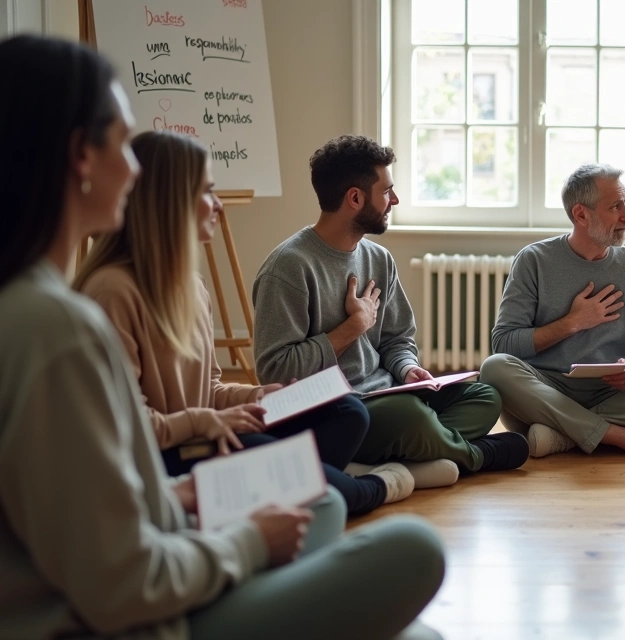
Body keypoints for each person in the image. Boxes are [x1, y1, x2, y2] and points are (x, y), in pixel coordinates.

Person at [0, 34, 444, 640]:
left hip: (159, 544)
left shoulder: (42, 310)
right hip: (146, 616)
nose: (134, 169)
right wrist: (247, 542)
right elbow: (123, 583)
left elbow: (99, 503)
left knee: (326, 497)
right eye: (122, 144)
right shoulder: (64, 327)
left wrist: (182, 493)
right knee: (415, 550)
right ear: (81, 155)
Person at [75, 130, 416, 516]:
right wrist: (207, 420)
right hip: (165, 454)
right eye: (206, 192)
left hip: (204, 431)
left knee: (348, 412)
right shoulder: (113, 293)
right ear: (169, 203)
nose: (218, 206)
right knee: (331, 494)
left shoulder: (190, 287)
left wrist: (256, 396)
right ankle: (368, 487)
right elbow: (126, 426)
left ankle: (294, 486)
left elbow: (209, 389)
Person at [253, 134, 526, 478]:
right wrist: (352, 328)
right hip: (339, 409)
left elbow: (398, 339)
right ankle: (476, 457)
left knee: (486, 397)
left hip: (389, 391)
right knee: (410, 418)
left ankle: (410, 453)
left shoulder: (378, 259)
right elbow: (276, 371)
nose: (394, 199)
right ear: (355, 198)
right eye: (386, 191)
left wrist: (408, 369)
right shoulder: (288, 268)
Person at [480, 164, 625, 458]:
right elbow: (505, 343)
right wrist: (572, 323)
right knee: (494, 368)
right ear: (581, 214)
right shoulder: (534, 260)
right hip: (547, 388)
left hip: (612, 392)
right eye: (616, 206)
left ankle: (563, 435)